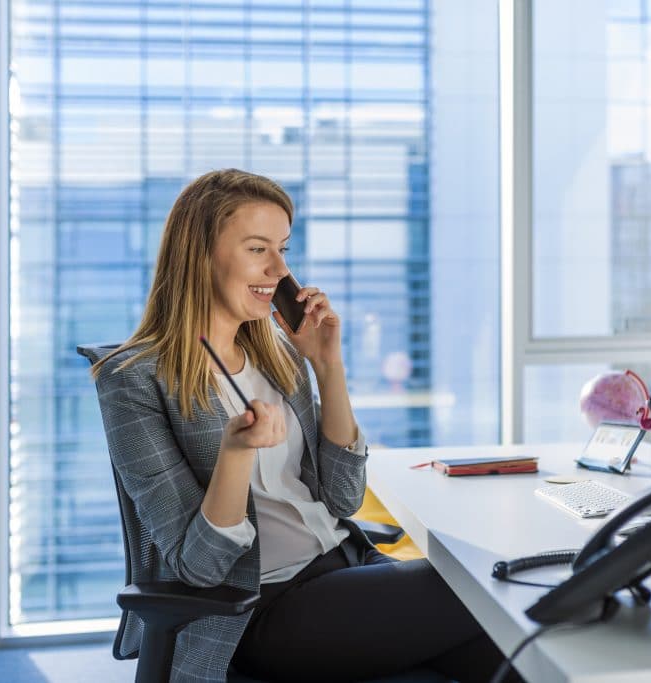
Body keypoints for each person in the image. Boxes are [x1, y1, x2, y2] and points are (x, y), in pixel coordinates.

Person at [92, 169, 519, 683]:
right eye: (257, 249)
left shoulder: (278, 357)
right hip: (259, 607)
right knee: (484, 585)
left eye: (283, 249)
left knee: (512, 659)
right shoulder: (134, 380)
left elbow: (343, 498)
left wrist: (327, 366)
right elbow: (199, 567)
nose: (278, 270)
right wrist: (235, 454)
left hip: (344, 568)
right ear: (200, 254)